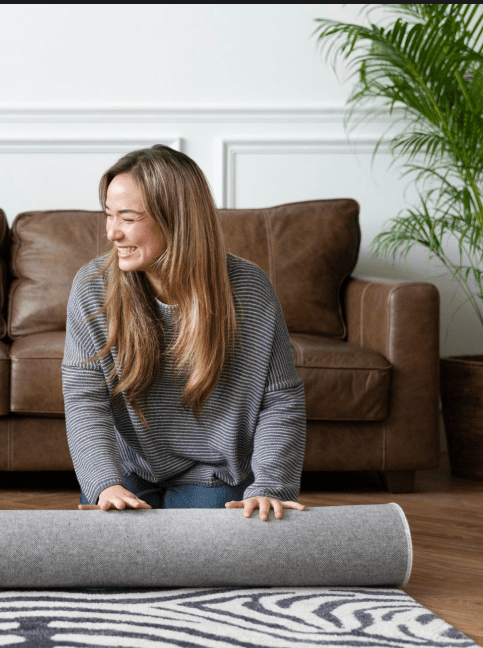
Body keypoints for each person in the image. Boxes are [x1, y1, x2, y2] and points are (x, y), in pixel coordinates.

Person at [63, 145, 307, 520]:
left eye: (127, 218)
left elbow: (279, 400)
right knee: (114, 563)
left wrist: (270, 486)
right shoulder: (93, 284)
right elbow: (84, 398)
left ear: (175, 219)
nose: (112, 232)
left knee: (210, 562)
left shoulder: (248, 288)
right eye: (109, 215)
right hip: (129, 469)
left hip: (214, 473)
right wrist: (104, 483)